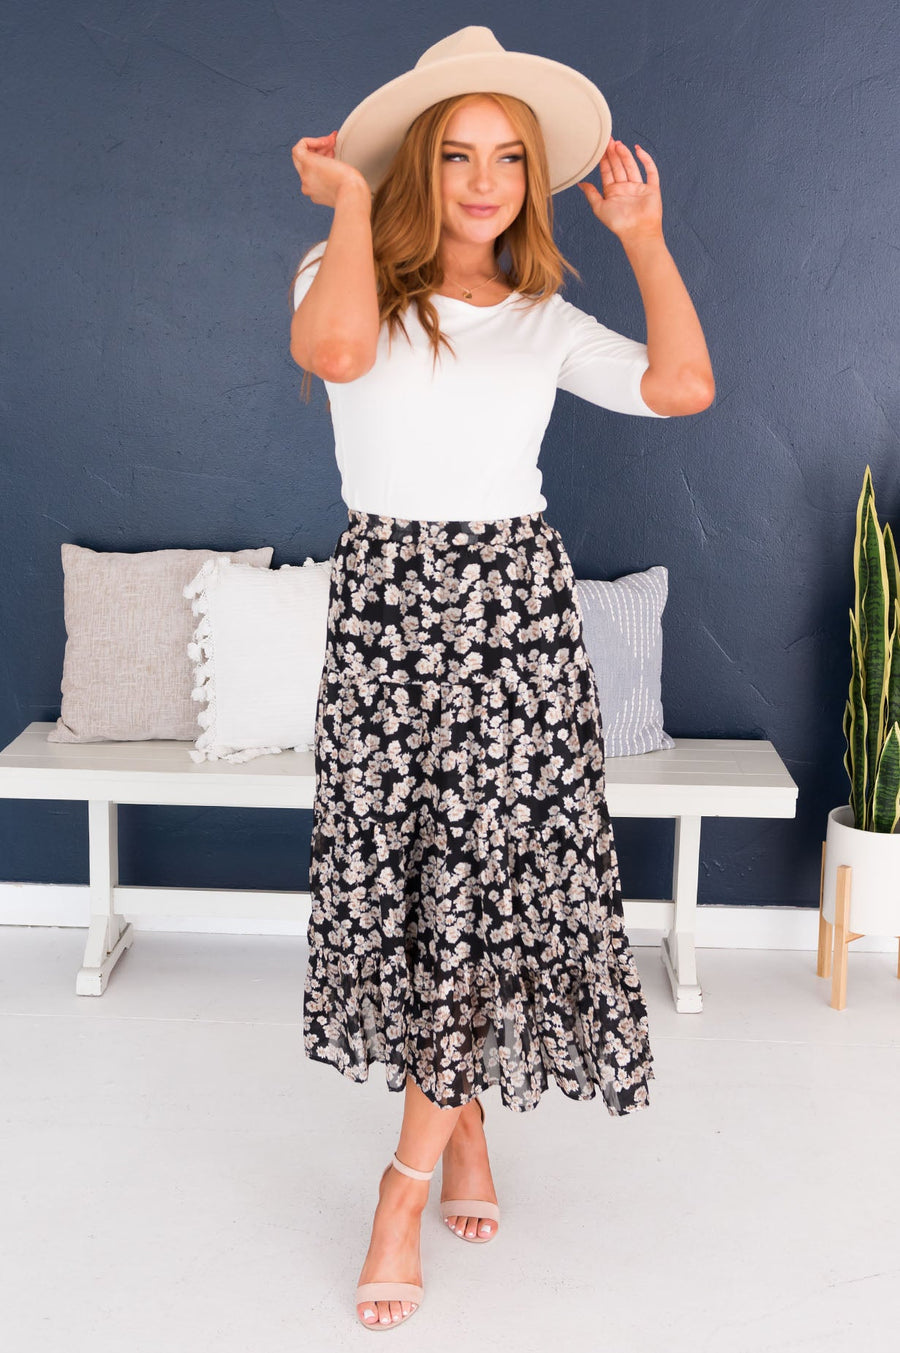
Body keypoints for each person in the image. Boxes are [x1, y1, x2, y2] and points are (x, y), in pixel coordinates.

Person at [288, 26, 714, 1333]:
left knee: (484, 890)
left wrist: (643, 237)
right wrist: (352, 202)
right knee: (418, 888)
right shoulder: (340, 268)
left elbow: (683, 386)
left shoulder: (542, 319)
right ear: (419, 165)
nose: (485, 181)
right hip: (386, 612)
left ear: (534, 178)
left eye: (510, 158)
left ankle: (403, 1184)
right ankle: (466, 1123)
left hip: (513, 618)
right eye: (459, 155)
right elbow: (338, 356)